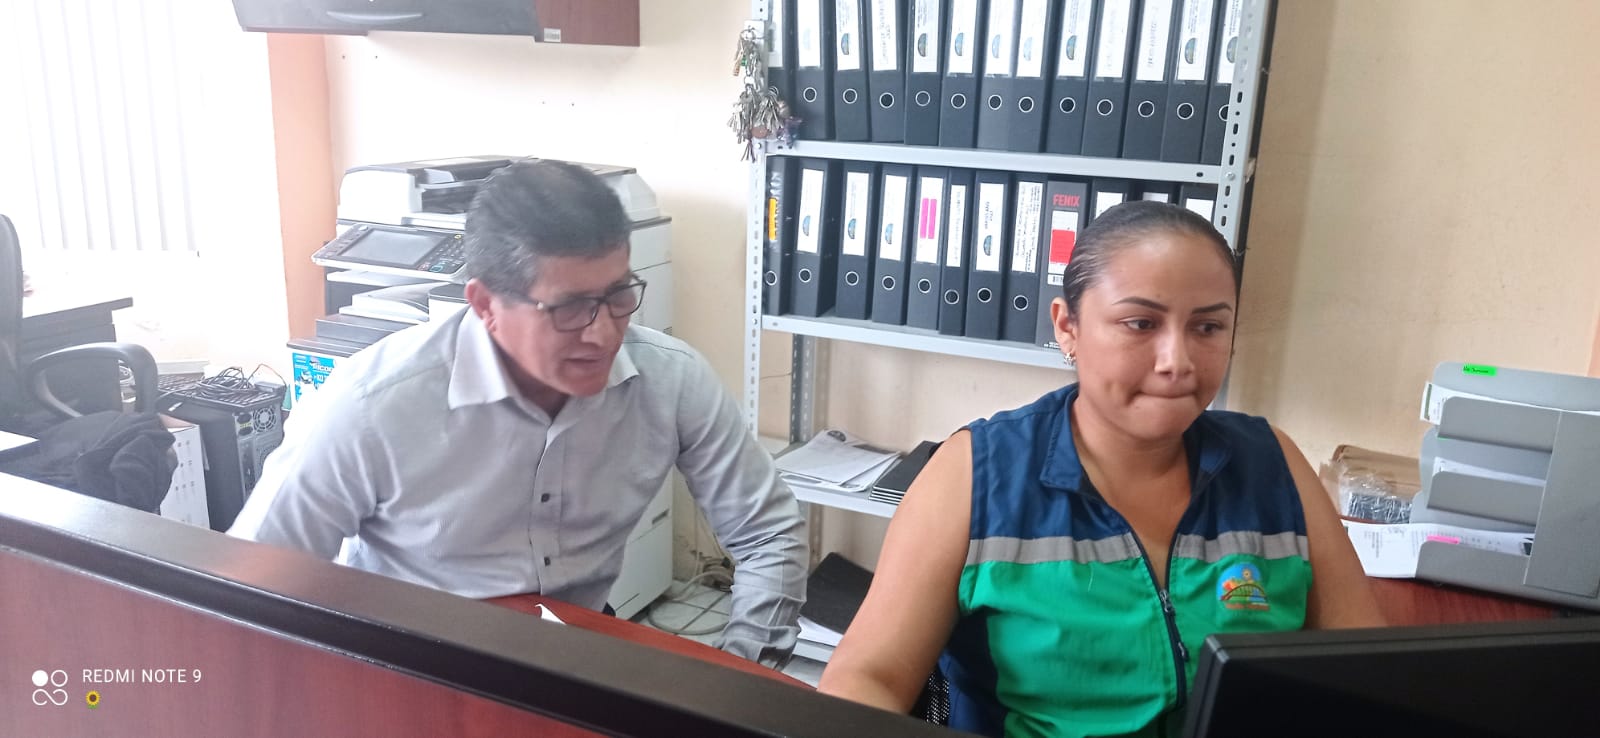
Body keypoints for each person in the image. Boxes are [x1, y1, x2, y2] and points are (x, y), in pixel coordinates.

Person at [817, 200, 1383, 736]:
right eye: (1141, 323)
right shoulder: (975, 476)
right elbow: (865, 680)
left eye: (1207, 328)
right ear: (1067, 326)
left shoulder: (1273, 465)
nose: (1177, 361)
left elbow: (1367, 672)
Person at [230, 160, 808, 667]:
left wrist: (743, 675)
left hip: (575, 645)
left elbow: (769, 532)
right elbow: (253, 578)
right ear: (485, 304)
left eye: (618, 295)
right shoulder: (370, 405)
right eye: (570, 307)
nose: (604, 333)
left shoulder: (671, 378)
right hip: (411, 657)